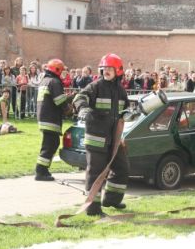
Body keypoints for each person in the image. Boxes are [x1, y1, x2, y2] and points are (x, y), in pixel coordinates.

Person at [73, 53, 130, 216]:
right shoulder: (95, 86)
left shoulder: (121, 91)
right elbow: (80, 97)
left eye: (110, 68)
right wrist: (83, 108)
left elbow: (124, 111)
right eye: (104, 68)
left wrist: (129, 114)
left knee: (122, 168)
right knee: (96, 173)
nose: (106, 71)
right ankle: (93, 208)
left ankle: (112, 200)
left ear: (118, 71)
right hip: (96, 139)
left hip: (114, 139)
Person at [35, 59, 71, 181]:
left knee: (50, 143)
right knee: (50, 145)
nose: (62, 74)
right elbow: (59, 100)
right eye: (61, 71)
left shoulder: (44, 81)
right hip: (51, 118)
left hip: (44, 117)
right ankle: (41, 171)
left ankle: (43, 170)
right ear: (57, 70)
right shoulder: (55, 82)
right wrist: (68, 107)